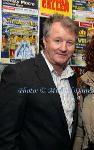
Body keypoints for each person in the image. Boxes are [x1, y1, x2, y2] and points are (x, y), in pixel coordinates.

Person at [0, 14, 79, 150]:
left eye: (69, 42)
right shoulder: (19, 74)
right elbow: (6, 136)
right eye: (58, 40)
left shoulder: (72, 77)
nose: (64, 48)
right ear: (45, 41)